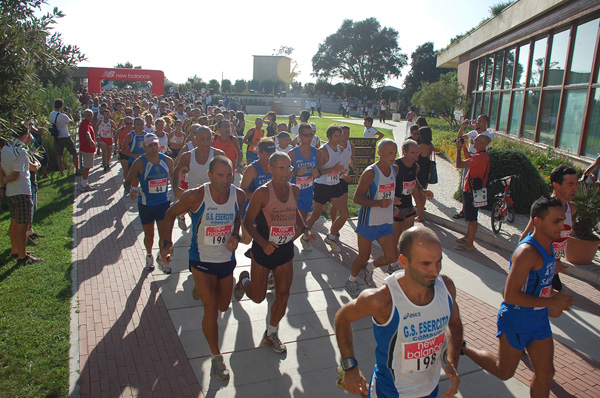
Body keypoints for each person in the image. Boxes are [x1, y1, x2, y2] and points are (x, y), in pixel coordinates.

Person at [463, 196, 574, 397]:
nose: (562, 225)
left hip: (538, 321)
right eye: (556, 221)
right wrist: (551, 301)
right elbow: (510, 295)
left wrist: (553, 268)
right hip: (516, 320)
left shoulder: (548, 245)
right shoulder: (526, 253)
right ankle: (463, 348)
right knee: (503, 372)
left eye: (562, 219)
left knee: (546, 374)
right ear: (538, 222)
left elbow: (536, 279)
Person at [335, 226, 463, 398]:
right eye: (425, 264)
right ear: (404, 262)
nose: (435, 271)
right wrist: (349, 366)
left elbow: (454, 325)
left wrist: (451, 360)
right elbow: (342, 318)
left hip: (431, 390)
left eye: (438, 261)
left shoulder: (446, 288)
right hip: (390, 392)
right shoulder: (383, 300)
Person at [159, 156, 245, 380]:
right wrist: (166, 246)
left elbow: (237, 218)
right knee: (211, 310)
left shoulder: (239, 195)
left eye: (229, 175)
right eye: (219, 175)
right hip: (201, 260)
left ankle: (202, 288)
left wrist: (235, 234)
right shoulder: (196, 196)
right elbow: (169, 214)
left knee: (224, 305)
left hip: (226, 260)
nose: (225, 180)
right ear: (209, 175)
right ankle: (217, 357)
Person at [234, 152, 316, 353]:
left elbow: (294, 211)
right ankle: (245, 279)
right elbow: (247, 222)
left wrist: (304, 228)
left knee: (284, 294)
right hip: (263, 251)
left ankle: (271, 333)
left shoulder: (294, 190)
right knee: (258, 298)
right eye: (280, 168)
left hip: (285, 250)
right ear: (270, 169)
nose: (285, 172)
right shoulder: (262, 193)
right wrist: (263, 243)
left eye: (288, 168)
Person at [345, 139, 399, 298]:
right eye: (389, 153)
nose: (393, 156)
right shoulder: (370, 172)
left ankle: (369, 268)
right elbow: (356, 199)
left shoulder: (394, 169)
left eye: (394, 152)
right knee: (363, 256)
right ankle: (351, 280)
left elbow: (387, 191)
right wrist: (378, 203)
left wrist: (393, 202)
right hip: (368, 222)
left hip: (386, 221)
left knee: (392, 257)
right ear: (380, 153)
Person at [520, 165, 578, 291]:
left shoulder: (572, 209)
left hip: (553, 268)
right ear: (556, 185)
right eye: (570, 184)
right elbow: (524, 240)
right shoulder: (544, 209)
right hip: (538, 267)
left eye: (576, 184)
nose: (575, 189)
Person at [124, 133, 173, 274]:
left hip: (163, 203)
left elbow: (174, 178)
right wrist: (132, 190)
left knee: (164, 236)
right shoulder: (139, 163)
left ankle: (162, 258)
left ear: (159, 145)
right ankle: (149, 255)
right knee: (149, 235)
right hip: (146, 205)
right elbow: (127, 183)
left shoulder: (168, 161)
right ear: (144, 147)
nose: (153, 148)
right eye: (150, 145)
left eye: (155, 144)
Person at [389, 139, 434, 273]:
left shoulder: (416, 166)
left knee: (407, 239)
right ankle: (392, 264)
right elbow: (386, 183)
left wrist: (422, 190)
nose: (416, 156)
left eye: (417, 153)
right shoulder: (395, 166)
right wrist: (391, 199)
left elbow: (413, 180)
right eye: (413, 153)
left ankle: (404, 264)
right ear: (404, 151)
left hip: (408, 207)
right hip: (395, 208)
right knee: (395, 239)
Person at [1, 125, 43, 264]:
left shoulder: (6, 147)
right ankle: (22, 256)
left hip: (12, 192)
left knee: (14, 222)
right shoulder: (20, 150)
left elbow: (3, 168)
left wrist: (4, 184)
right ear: (25, 133)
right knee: (22, 225)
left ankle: (16, 250)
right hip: (21, 191)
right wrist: (6, 180)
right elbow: (16, 174)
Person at [306, 125, 350, 253]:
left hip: (335, 186)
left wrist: (342, 175)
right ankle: (304, 236)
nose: (338, 138)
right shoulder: (322, 151)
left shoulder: (340, 149)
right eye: (336, 136)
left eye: (340, 136)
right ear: (329, 136)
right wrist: (334, 169)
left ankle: (331, 237)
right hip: (322, 187)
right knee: (315, 216)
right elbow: (318, 172)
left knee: (345, 214)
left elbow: (338, 168)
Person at [454, 132, 491, 251]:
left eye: (475, 140)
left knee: (472, 218)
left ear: (481, 143)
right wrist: (464, 146)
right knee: (471, 216)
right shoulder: (483, 155)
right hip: (475, 190)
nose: (473, 141)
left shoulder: (479, 157)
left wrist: (458, 149)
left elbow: (459, 164)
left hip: (471, 191)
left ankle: (469, 244)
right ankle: (467, 237)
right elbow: (469, 159)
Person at [453, 116, 493, 220]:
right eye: (477, 120)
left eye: (480, 120)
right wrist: (462, 127)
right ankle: (465, 210)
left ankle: (472, 211)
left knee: (475, 185)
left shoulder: (488, 135)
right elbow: (460, 138)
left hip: (477, 161)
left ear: (486, 122)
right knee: (465, 187)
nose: (477, 122)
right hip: (469, 158)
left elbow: (484, 140)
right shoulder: (473, 133)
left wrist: (477, 131)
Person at [289, 123, 319, 251]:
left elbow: (320, 172)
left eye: (311, 135)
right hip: (295, 193)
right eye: (306, 135)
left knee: (302, 222)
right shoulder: (292, 153)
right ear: (300, 136)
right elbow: (283, 174)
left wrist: (318, 174)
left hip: (308, 193)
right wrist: (296, 173)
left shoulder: (317, 153)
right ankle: (284, 246)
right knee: (299, 223)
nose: (309, 138)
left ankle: (286, 244)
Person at [239, 139, 275, 244]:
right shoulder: (252, 169)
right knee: (246, 240)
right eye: (268, 153)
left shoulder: (276, 166)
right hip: (250, 209)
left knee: (265, 239)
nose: (271, 156)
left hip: (268, 210)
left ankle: (256, 254)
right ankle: (231, 237)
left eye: (273, 153)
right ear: (259, 152)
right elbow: (242, 192)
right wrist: (261, 196)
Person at [173, 126, 226, 198]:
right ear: (196, 139)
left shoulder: (218, 154)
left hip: (213, 197)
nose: (206, 142)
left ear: (212, 139)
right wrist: (176, 187)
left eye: (208, 139)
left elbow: (227, 174)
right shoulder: (187, 156)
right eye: (202, 139)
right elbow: (177, 170)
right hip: (194, 197)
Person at [330, 124, 355, 227]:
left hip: (345, 178)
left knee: (343, 202)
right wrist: (341, 174)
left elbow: (351, 160)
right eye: (344, 133)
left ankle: (338, 223)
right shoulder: (335, 147)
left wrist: (355, 169)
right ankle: (333, 223)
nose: (346, 136)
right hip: (335, 177)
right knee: (335, 204)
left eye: (348, 133)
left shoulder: (351, 146)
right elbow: (331, 165)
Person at [49, 99, 79, 176]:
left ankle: (61, 172)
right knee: (74, 153)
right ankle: (77, 170)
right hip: (65, 136)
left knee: (59, 155)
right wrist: (69, 114)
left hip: (57, 137)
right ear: (61, 106)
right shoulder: (64, 116)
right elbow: (72, 122)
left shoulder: (51, 114)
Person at [414, 127, 435, 222]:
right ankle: (421, 212)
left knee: (418, 192)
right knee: (424, 191)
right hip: (426, 168)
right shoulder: (430, 145)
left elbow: (415, 156)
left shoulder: (421, 146)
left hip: (420, 169)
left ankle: (420, 214)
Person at [78, 109, 97, 191]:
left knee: (87, 166)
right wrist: (91, 141)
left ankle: (84, 183)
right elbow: (87, 133)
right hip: (87, 149)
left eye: (91, 115)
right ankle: (84, 185)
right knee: (87, 167)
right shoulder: (85, 124)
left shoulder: (87, 123)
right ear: (84, 115)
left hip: (88, 149)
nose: (90, 116)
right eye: (88, 115)